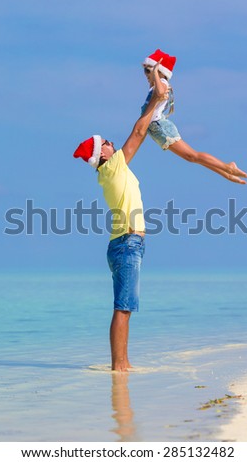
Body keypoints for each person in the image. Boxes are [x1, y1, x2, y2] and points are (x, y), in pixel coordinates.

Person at [73, 63, 166, 372]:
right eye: (108, 143)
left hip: (124, 244)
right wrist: (154, 101)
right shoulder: (113, 167)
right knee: (123, 308)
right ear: (103, 154)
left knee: (124, 307)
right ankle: (120, 367)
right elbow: (139, 132)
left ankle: (121, 365)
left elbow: (138, 132)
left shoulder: (108, 172)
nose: (113, 144)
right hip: (127, 244)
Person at [141, 49, 247, 184]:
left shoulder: (162, 82)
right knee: (193, 157)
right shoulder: (156, 85)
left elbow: (161, 91)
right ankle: (227, 173)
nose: (145, 74)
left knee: (193, 156)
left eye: (148, 70)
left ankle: (228, 167)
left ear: (160, 70)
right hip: (157, 129)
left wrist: (156, 72)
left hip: (160, 128)